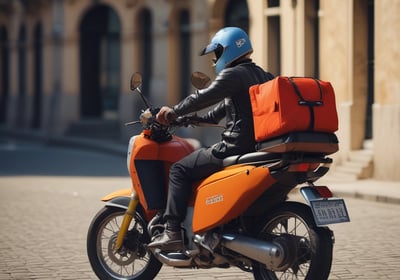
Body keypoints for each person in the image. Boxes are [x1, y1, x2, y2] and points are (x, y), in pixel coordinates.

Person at [148, 27, 274, 250]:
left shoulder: (233, 75)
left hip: (233, 147)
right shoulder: (263, 75)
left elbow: (203, 96)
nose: (214, 61)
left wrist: (173, 111)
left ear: (224, 50)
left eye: (215, 54)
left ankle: (172, 232)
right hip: (256, 146)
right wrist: (188, 119)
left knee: (179, 170)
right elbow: (218, 112)